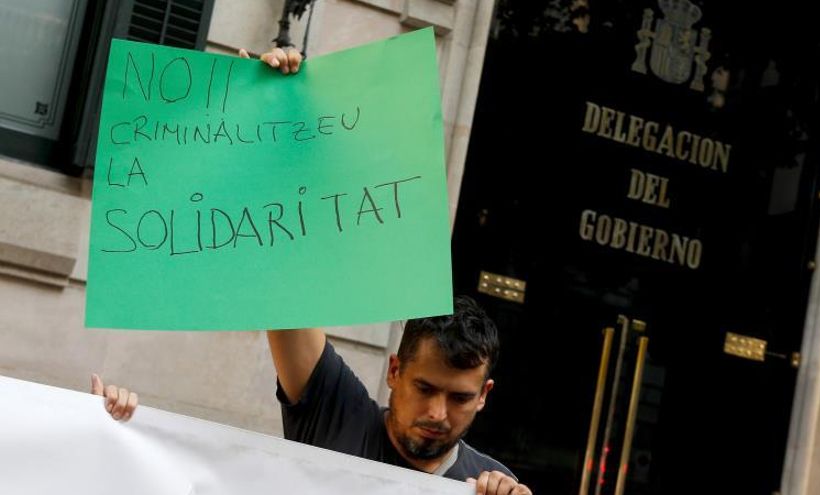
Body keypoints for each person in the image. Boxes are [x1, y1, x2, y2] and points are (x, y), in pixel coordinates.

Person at [91, 47, 531, 495]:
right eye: (425, 388)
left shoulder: (493, 486)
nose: (438, 413)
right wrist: (269, 109)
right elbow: (282, 284)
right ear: (394, 371)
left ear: (484, 395)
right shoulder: (336, 413)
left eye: (459, 398)